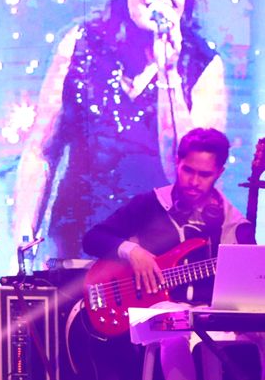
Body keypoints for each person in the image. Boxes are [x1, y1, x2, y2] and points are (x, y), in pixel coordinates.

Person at [13, 0, 228, 260]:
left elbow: (186, 172)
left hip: (157, 251)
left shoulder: (201, 65)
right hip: (77, 239)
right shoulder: (81, 44)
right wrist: (24, 238)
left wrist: (168, 72)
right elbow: (42, 150)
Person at [80, 128, 255, 380]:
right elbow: (93, 239)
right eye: (188, 170)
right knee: (175, 327)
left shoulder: (231, 221)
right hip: (153, 308)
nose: (194, 181)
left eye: (204, 174)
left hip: (207, 311)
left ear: (219, 172)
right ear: (177, 162)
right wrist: (132, 251)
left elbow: (248, 279)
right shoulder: (149, 203)